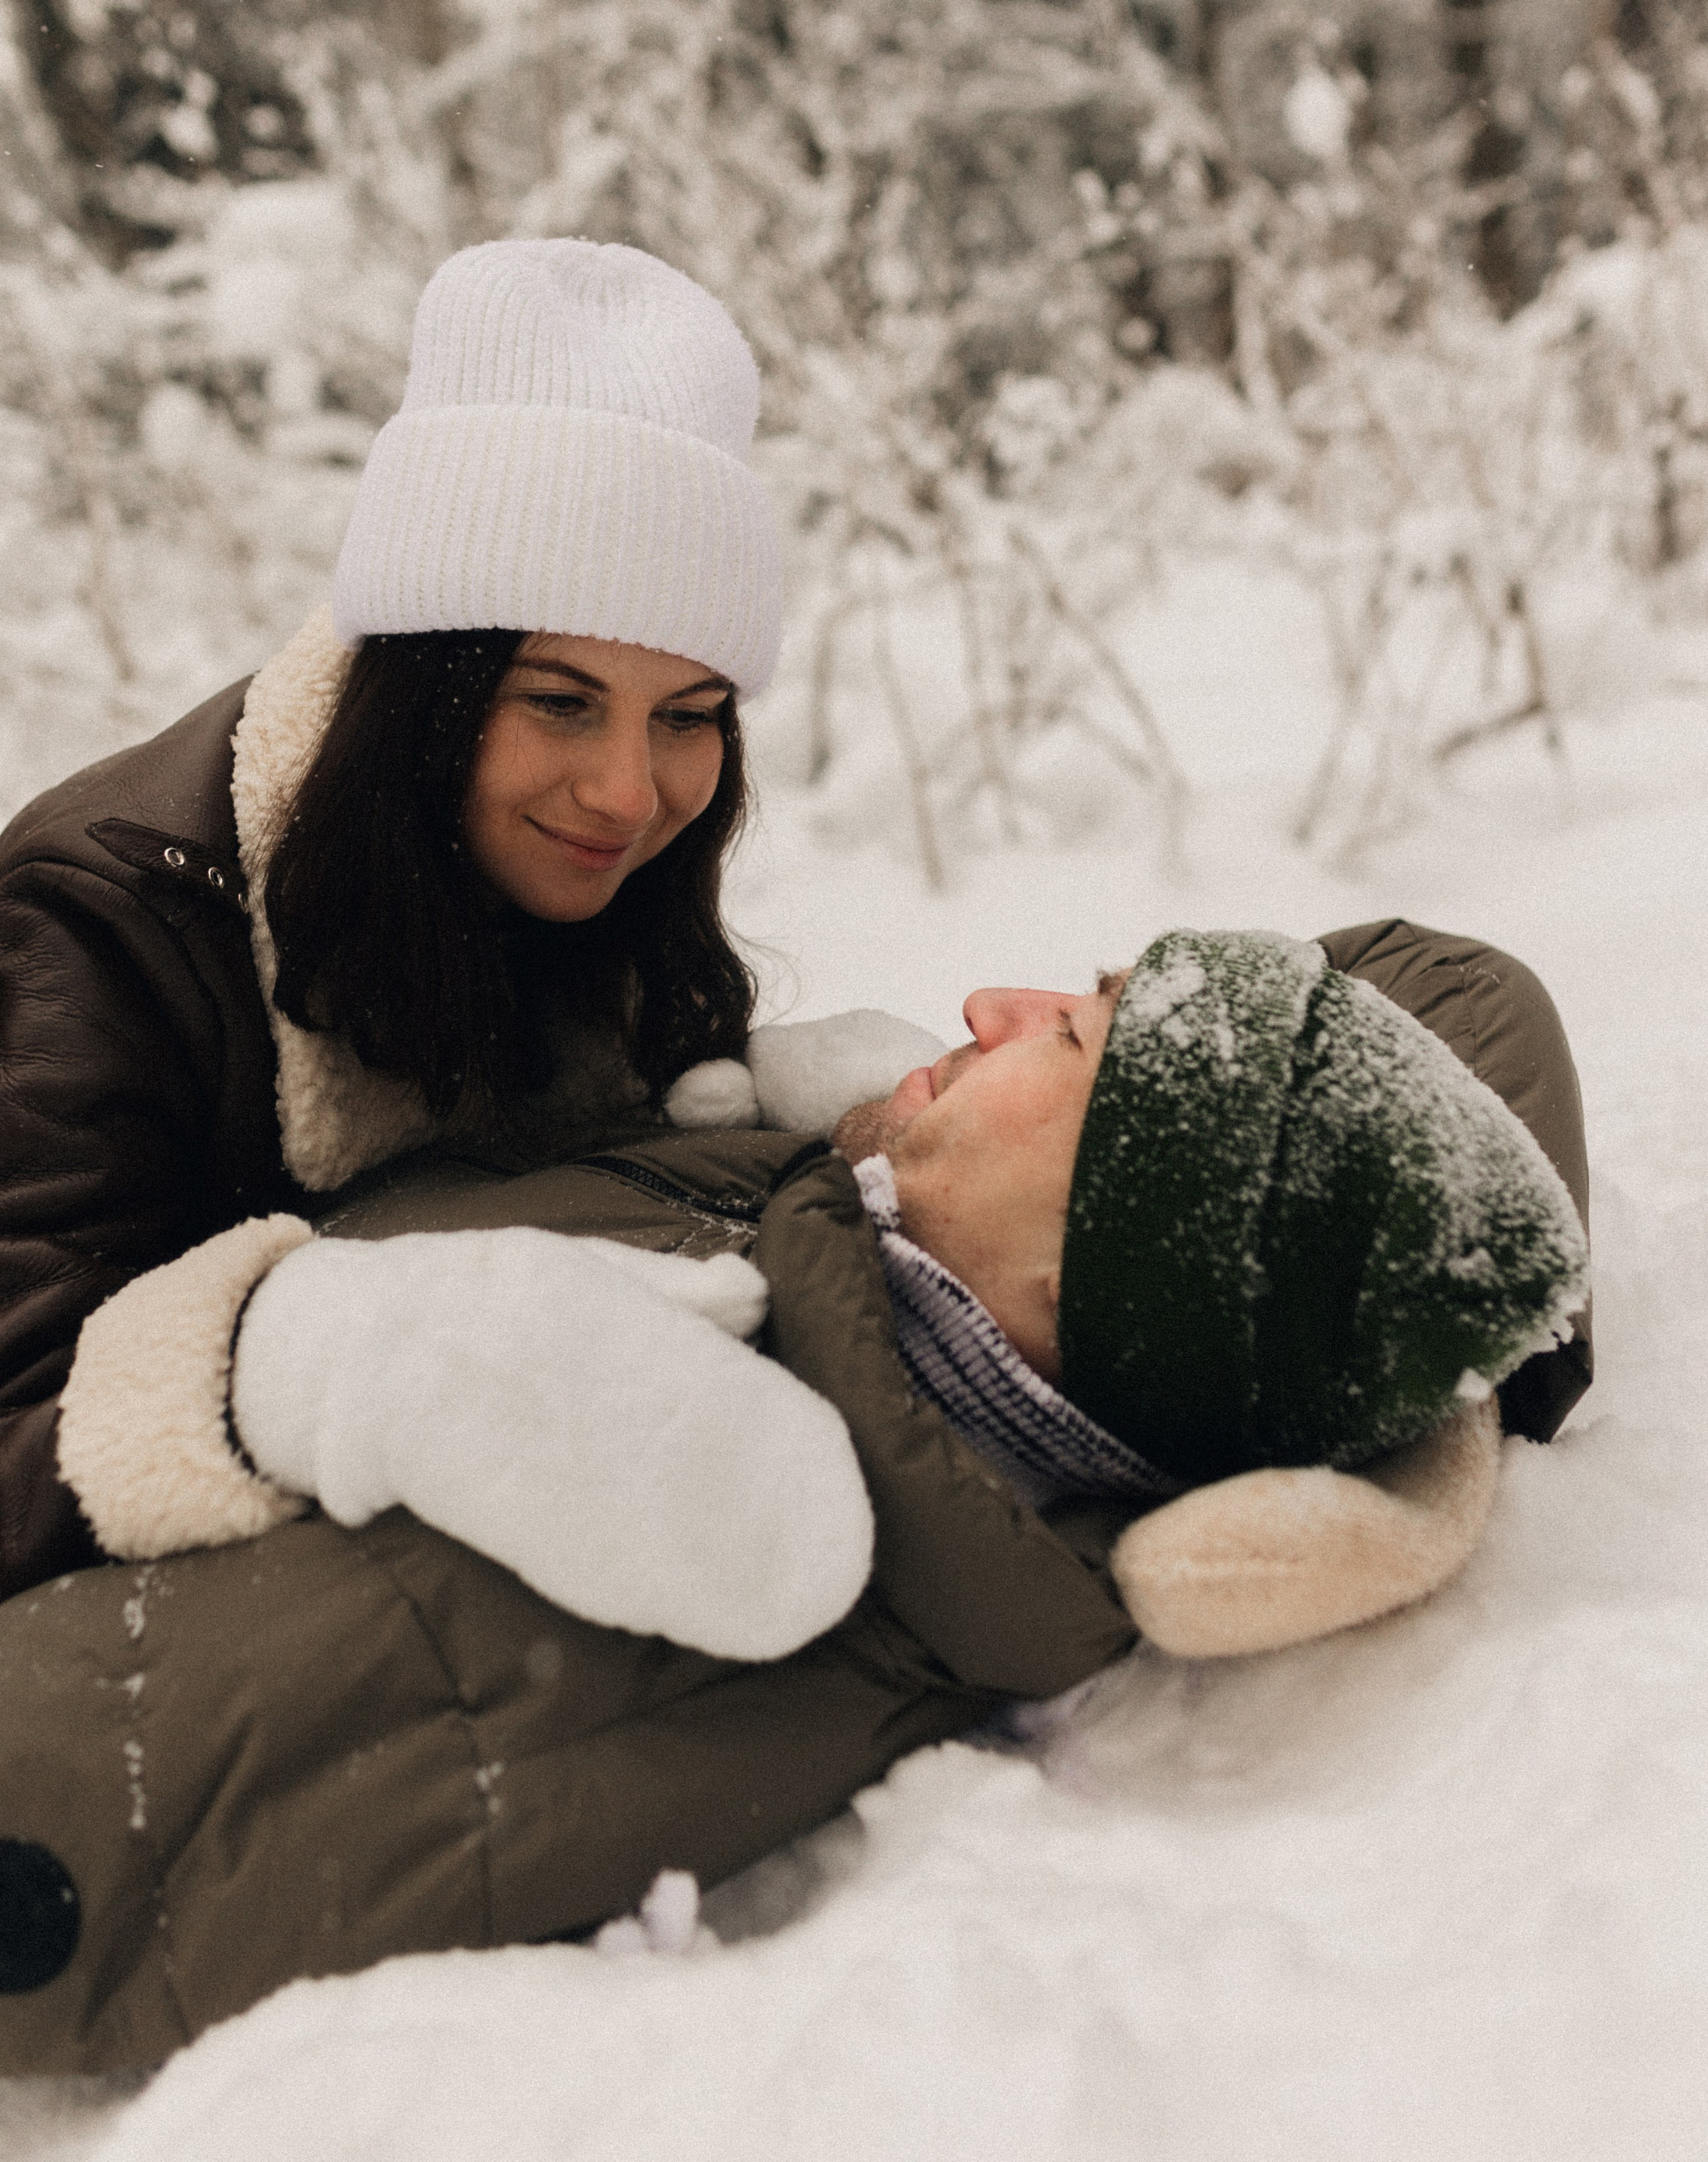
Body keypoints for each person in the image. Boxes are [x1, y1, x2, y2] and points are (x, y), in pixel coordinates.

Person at [0, 919, 1589, 2071]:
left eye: (1064, 1036)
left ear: (1093, 1259)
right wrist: (1436, 1415)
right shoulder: (892, 1271)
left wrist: (289, 1354)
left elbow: (74, 1809)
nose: (986, 995)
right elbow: (1449, 982)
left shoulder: (694, 1533)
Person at [0, 237, 929, 1607]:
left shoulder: (555, 855)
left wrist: (765, 1121)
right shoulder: (106, 928)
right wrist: (320, 1371)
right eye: (557, 700)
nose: (627, 792)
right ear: (426, 694)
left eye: (688, 718)